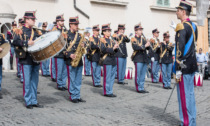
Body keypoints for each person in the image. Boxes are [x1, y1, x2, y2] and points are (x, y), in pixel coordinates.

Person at [173, 1, 198, 125]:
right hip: (192, 64)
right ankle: (192, 120)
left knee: (184, 96)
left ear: (183, 12)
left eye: (178, 10)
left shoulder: (181, 26)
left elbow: (179, 49)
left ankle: (186, 122)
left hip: (183, 66)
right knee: (190, 95)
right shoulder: (193, 26)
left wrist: (177, 68)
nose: (176, 12)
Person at [13, 11, 43, 109]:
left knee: (35, 81)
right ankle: (28, 101)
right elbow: (15, 42)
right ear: (27, 20)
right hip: (26, 59)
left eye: (34, 19)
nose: (34, 21)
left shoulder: (36, 31)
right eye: (33, 19)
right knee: (27, 81)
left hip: (35, 58)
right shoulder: (20, 30)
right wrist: (26, 42)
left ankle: (34, 100)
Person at [65, 16, 86, 103]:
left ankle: (77, 95)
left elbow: (85, 44)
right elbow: (62, 49)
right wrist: (70, 55)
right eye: (75, 24)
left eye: (77, 24)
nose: (77, 26)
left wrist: (84, 44)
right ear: (71, 25)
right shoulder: (65, 35)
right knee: (72, 79)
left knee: (78, 79)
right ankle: (73, 96)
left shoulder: (80, 35)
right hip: (71, 60)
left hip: (79, 60)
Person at [100, 24, 119, 97]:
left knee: (112, 77)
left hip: (113, 60)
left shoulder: (111, 40)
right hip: (107, 60)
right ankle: (106, 92)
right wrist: (113, 48)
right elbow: (103, 49)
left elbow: (115, 51)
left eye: (109, 31)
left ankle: (110, 91)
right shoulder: (102, 40)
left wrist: (116, 47)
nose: (109, 33)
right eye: (107, 31)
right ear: (104, 32)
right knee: (107, 77)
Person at [131, 23, 150, 93]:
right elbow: (135, 47)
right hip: (138, 58)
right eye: (139, 30)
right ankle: (138, 88)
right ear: (136, 31)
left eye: (141, 30)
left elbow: (147, 49)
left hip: (144, 58)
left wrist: (148, 45)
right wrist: (145, 45)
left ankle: (141, 87)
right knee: (138, 74)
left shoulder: (143, 39)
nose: (141, 31)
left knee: (143, 74)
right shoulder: (133, 39)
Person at [52, 14, 68, 91]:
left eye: (63, 21)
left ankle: (63, 84)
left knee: (65, 70)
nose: (62, 22)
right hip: (58, 53)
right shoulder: (54, 30)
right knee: (59, 70)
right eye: (61, 21)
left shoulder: (65, 30)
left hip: (65, 53)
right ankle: (59, 84)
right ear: (57, 22)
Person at [0, 26, 6, 99]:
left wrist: (2, 48)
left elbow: (5, 45)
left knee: (0, 76)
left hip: (0, 59)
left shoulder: (1, 36)